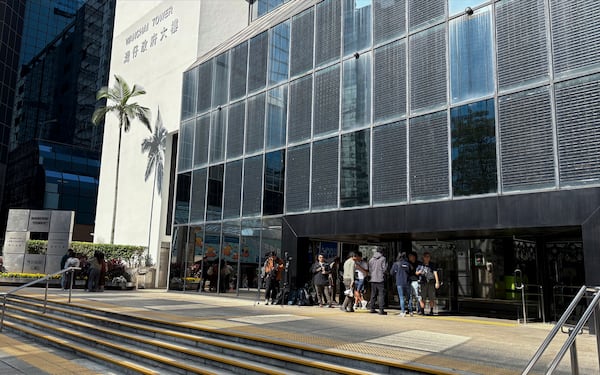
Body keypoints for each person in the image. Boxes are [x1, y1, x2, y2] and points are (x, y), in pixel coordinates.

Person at [390, 252, 411, 317]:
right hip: (407, 282)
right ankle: (411, 311)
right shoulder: (407, 264)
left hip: (399, 282)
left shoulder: (396, 264)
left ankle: (403, 311)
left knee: (401, 297)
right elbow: (409, 271)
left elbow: (391, 272)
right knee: (409, 297)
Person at [368, 248, 388, 315]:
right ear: (382, 252)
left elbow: (370, 269)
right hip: (380, 279)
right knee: (381, 294)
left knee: (373, 294)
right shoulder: (383, 259)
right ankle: (381, 310)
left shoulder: (371, 259)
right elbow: (384, 269)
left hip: (373, 279)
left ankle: (372, 308)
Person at [407, 251, 420, 316]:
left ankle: (419, 309)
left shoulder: (418, 263)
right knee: (410, 296)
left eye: (410, 256)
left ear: (414, 257)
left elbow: (420, 270)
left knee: (417, 296)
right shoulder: (407, 263)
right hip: (409, 281)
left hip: (416, 281)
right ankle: (410, 309)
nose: (409, 257)